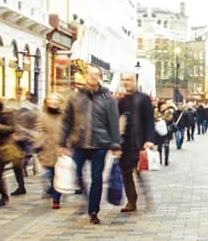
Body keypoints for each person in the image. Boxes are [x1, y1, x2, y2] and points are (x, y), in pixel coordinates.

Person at [60, 65, 122, 224]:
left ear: (100, 77)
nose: (93, 77)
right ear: (85, 76)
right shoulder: (75, 97)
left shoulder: (108, 98)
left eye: (96, 75)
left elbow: (114, 122)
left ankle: (93, 210)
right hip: (78, 142)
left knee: (97, 178)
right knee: (76, 174)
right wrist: (63, 142)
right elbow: (67, 120)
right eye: (90, 75)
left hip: (100, 144)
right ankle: (85, 197)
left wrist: (116, 144)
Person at [117, 73, 156, 213]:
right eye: (124, 80)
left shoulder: (143, 98)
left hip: (139, 142)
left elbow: (150, 121)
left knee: (140, 172)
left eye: (129, 80)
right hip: (125, 143)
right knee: (126, 173)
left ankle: (147, 197)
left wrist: (150, 139)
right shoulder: (121, 101)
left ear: (135, 82)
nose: (126, 82)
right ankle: (131, 201)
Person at [35, 93, 65, 209]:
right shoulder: (42, 116)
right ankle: (52, 190)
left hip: (60, 149)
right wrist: (39, 143)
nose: (53, 102)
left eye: (55, 100)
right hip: (47, 149)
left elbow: (69, 130)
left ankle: (56, 200)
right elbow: (39, 130)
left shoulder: (64, 115)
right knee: (49, 174)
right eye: (50, 100)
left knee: (58, 175)